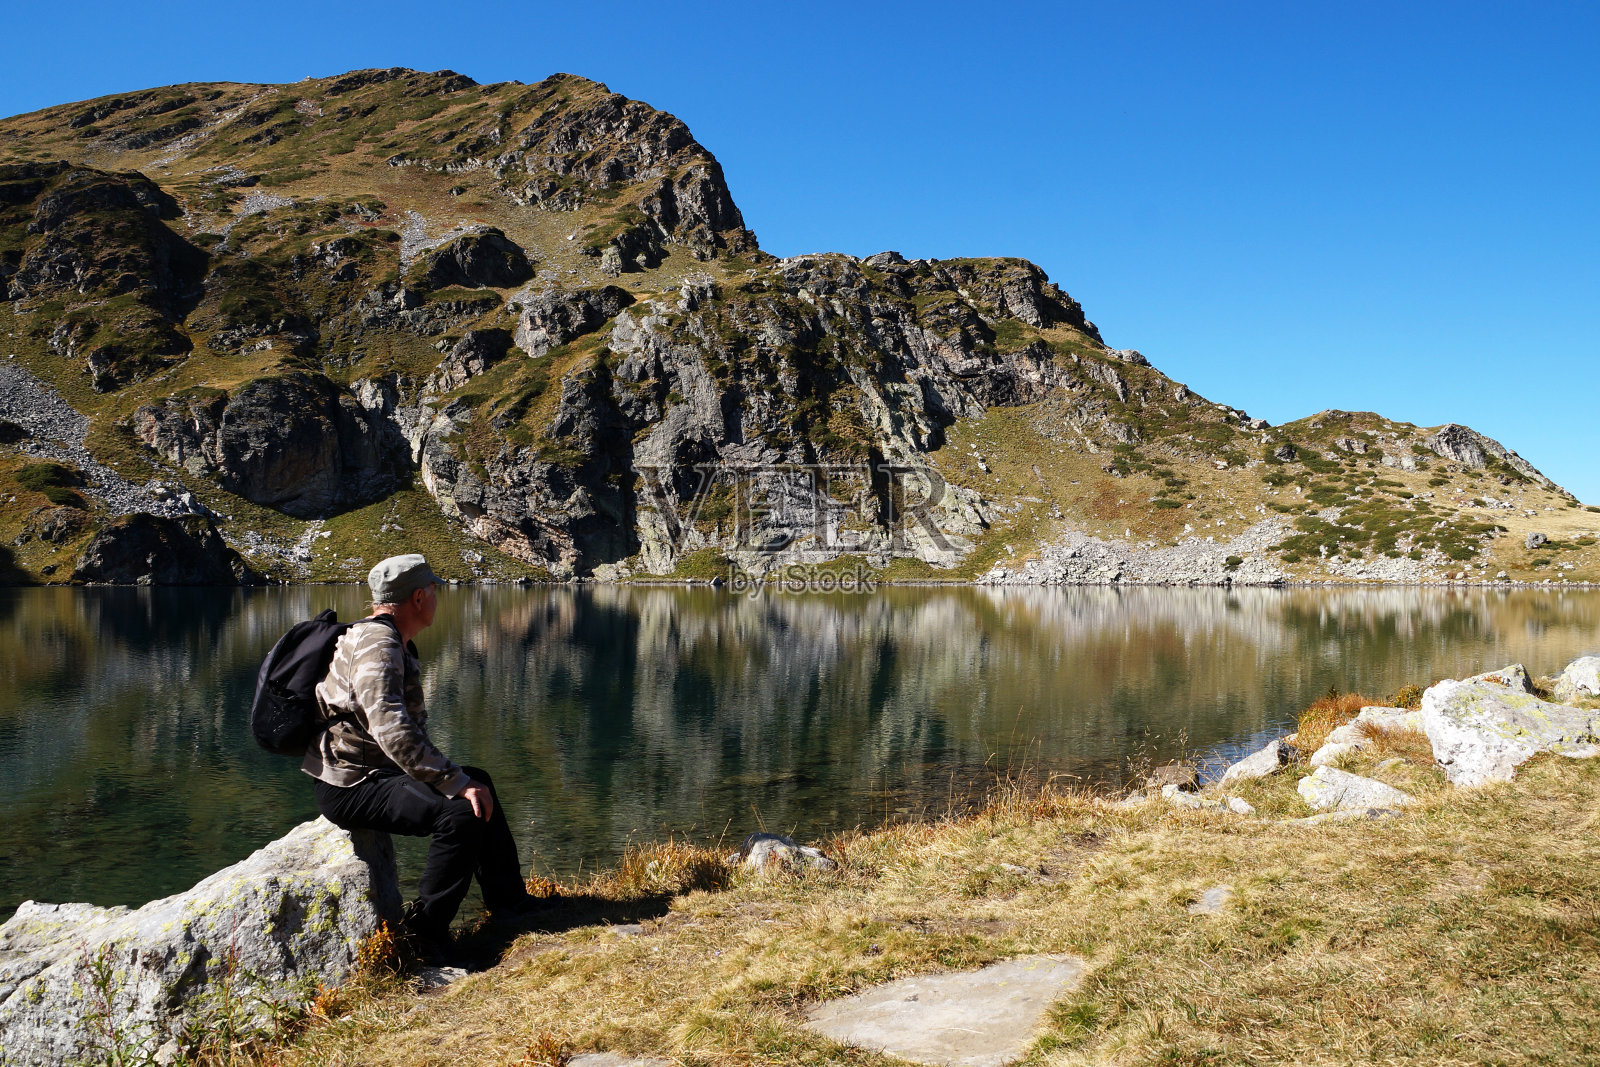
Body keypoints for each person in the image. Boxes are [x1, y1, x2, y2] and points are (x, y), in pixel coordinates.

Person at [302, 553, 541, 957]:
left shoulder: (384, 637)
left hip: (367, 772)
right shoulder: (379, 646)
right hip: (353, 783)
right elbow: (391, 729)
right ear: (417, 598)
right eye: (433, 590)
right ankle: (424, 936)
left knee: (478, 780)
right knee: (461, 810)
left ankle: (510, 904)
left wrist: (462, 779)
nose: (436, 597)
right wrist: (453, 782)